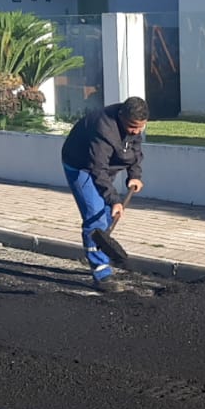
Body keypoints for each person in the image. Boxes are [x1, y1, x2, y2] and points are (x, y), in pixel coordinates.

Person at [61, 96, 148, 289]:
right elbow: (97, 169)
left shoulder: (134, 125)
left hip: (107, 167)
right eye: (132, 127)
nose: (136, 131)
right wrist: (114, 199)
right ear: (121, 117)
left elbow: (135, 150)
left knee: (107, 215)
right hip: (81, 166)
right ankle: (101, 273)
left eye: (140, 127)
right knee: (95, 217)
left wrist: (134, 175)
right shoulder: (104, 129)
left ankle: (98, 253)